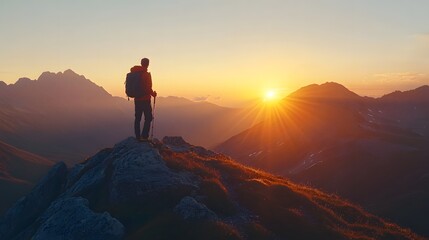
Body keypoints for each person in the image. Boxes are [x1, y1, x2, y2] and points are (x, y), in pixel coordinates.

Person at [131, 58, 157, 141]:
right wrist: (153, 94)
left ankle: (138, 137)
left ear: (141, 63)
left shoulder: (134, 73)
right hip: (145, 99)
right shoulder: (146, 74)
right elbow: (148, 88)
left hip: (137, 99)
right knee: (148, 118)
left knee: (137, 118)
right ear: (148, 64)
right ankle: (144, 136)